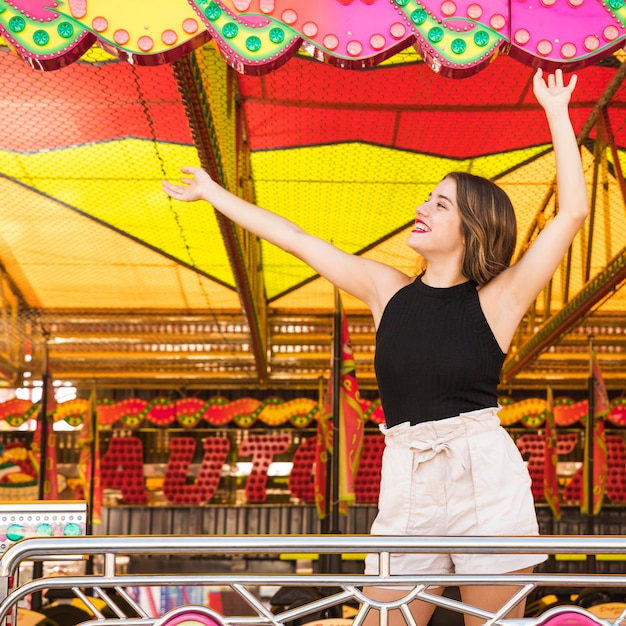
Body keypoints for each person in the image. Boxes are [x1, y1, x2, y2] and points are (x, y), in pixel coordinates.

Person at [162, 68, 588, 625]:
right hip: (407, 469)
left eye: (440, 204)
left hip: (481, 472)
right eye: (428, 199)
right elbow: (296, 239)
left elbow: (573, 213)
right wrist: (213, 192)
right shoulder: (386, 290)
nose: (423, 208)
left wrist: (555, 111)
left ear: (473, 227)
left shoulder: (500, 299)